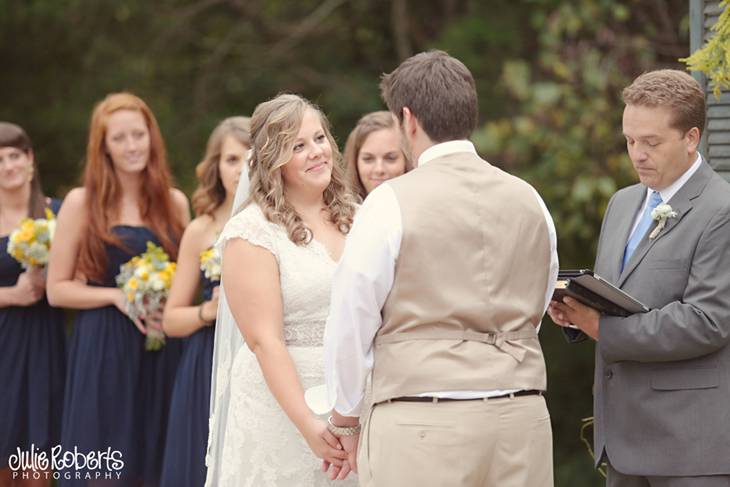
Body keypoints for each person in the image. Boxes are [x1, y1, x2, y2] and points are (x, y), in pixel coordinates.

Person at [324, 50, 558, 486]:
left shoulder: (390, 203)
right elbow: (537, 302)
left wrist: (345, 418)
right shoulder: (530, 199)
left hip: (424, 421)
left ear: (407, 120)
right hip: (521, 417)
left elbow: (351, 316)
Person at [549, 70, 730, 486]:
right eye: (630, 140)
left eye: (651, 142)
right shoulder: (622, 203)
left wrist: (603, 329)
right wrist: (577, 313)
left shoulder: (721, 209)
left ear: (691, 138)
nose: (637, 154)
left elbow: (708, 321)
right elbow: (618, 297)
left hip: (692, 449)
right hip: (624, 445)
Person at [204, 94, 358, 487]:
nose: (316, 153)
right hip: (284, 411)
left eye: (320, 139)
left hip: (357, 405)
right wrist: (308, 425)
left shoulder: (357, 216)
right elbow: (264, 341)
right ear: (274, 160)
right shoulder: (252, 233)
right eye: (298, 146)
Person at [47, 93, 190, 486]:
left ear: (152, 138)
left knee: (157, 458)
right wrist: (115, 296)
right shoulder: (82, 203)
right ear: (103, 148)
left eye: (138, 135)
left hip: (159, 344)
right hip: (103, 346)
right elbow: (56, 290)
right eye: (120, 138)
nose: (131, 146)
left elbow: (185, 280)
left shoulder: (174, 203)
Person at [160, 116, 250, 487]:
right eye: (231, 160)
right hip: (206, 365)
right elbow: (171, 320)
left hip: (259, 358)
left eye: (250, 158)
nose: (242, 169)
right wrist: (207, 311)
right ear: (215, 167)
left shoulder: (283, 223)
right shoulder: (200, 230)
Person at [0, 123, 65, 487]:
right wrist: (12, 294)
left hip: (46, 341)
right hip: (3, 341)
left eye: (14, 155)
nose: (8, 166)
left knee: (40, 458)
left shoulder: (58, 213)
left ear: (30, 159)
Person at [343, 111, 412, 200]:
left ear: (408, 159)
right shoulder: (342, 211)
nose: (379, 169)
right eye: (368, 159)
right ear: (355, 161)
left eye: (390, 158)